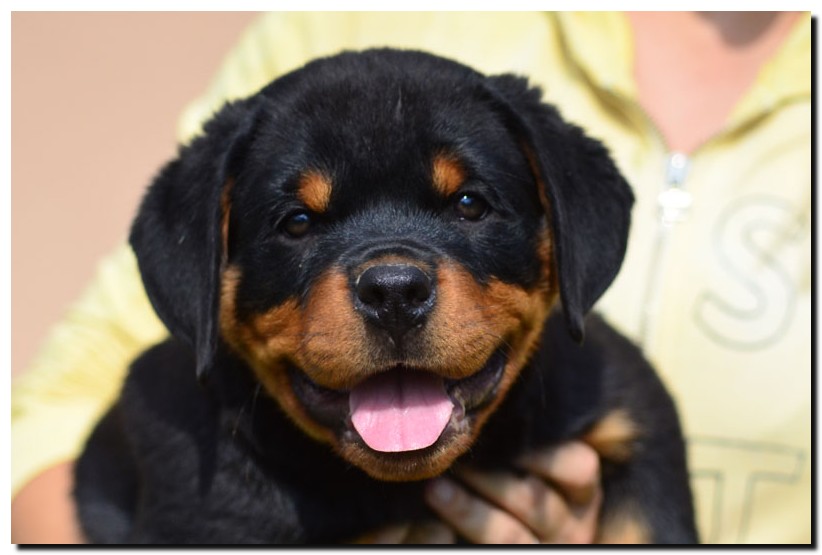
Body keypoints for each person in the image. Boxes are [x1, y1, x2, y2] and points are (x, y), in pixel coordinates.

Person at [11, 12, 811, 544]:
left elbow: (641, 437)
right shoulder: (190, 456)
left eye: (467, 205)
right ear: (208, 264)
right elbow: (44, 417)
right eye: (298, 223)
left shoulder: (590, 382)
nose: (392, 277)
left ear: (561, 237)